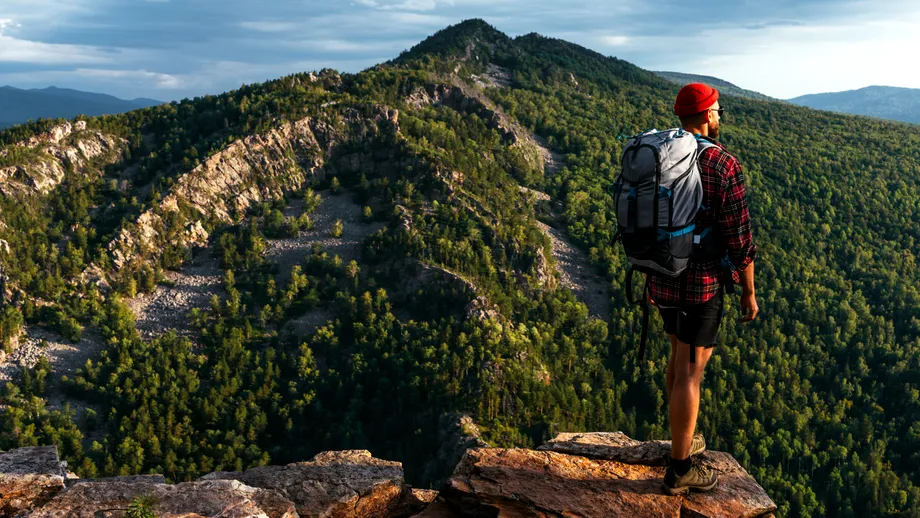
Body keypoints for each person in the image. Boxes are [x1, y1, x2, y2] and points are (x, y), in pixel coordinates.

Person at [653, 83, 759, 495]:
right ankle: (681, 470)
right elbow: (740, 239)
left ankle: (679, 439)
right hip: (701, 283)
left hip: (661, 274)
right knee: (692, 372)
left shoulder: (660, 154)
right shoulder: (720, 163)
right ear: (706, 115)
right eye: (717, 109)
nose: (720, 115)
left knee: (678, 355)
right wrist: (748, 292)